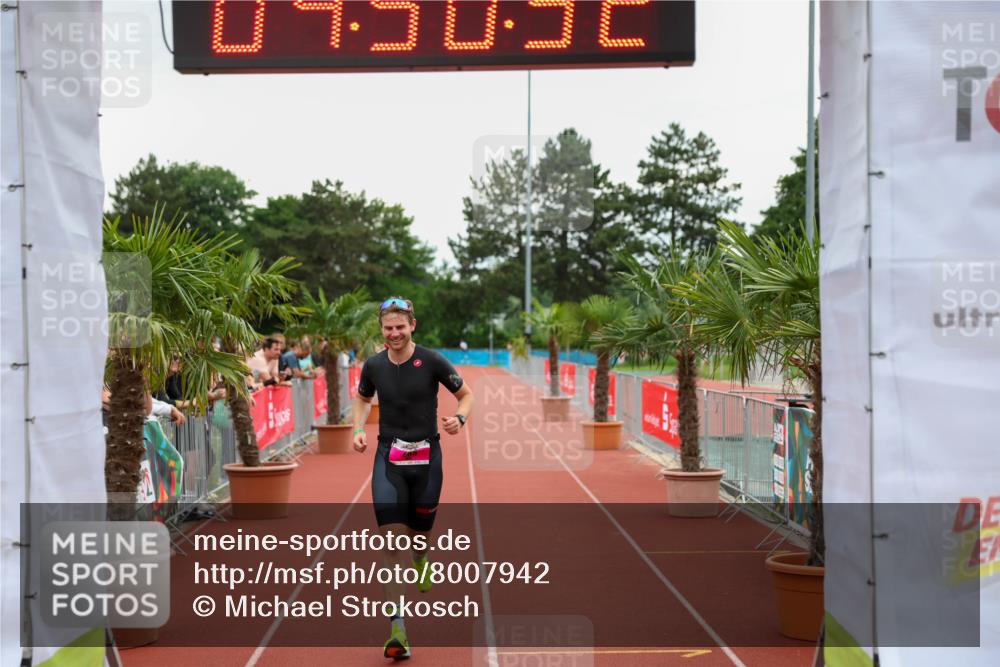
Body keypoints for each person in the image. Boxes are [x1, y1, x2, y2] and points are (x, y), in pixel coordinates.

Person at [351, 296, 474, 661]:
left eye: (400, 327)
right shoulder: (374, 365)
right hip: (388, 459)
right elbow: (362, 399)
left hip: (427, 460)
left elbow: (466, 395)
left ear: (412, 326)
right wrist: (358, 427)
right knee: (391, 543)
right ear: (381, 329)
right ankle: (397, 628)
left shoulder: (432, 361)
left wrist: (460, 418)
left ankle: (421, 557)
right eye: (388, 328)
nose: (394, 334)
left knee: (419, 537)